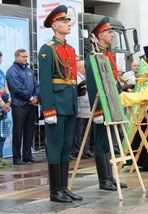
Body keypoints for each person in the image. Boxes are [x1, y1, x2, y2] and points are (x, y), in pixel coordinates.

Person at [38, 5, 82, 203]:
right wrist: (48, 109)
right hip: (56, 104)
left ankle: (64, 188)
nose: (68, 24)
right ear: (55, 25)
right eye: (63, 21)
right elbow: (45, 82)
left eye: (67, 20)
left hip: (70, 103)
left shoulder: (70, 49)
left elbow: (71, 79)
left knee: (66, 147)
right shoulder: (47, 49)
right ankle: (55, 191)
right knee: (55, 147)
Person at [85, 17, 127, 190]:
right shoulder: (93, 56)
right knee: (102, 142)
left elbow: (113, 81)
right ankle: (104, 180)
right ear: (100, 35)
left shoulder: (108, 55)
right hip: (101, 105)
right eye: (109, 32)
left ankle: (110, 177)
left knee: (110, 143)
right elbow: (94, 84)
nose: (112, 35)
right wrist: (98, 111)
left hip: (112, 103)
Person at [6, 49, 39, 165]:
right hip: (19, 106)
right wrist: (30, 98)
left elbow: (36, 85)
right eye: (24, 57)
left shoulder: (29, 70)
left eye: (27, 57)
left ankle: (27, 156)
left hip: (30, 106)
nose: (26, 59)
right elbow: (17, 88)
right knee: (18, 131)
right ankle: (16, 158)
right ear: (17, 57)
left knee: (29, 131)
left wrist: (35, 96)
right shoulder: (12, 71)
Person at [71, 58, 94, 159]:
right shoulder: (76, 77)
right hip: (80, 106)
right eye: (85, 67)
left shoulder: (86, 77)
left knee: (87, 130)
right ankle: (77, 150)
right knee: (79, 131)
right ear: (80, 67)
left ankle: (86, 149)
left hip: (87, 106)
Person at [0, 51, 11, 168]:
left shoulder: (2, 73)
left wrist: (8, 103)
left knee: (2, 134)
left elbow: (7, 89)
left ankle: (1, 157)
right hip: (1, 106)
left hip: (4, 110)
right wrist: (2, 104)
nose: (1, 60)